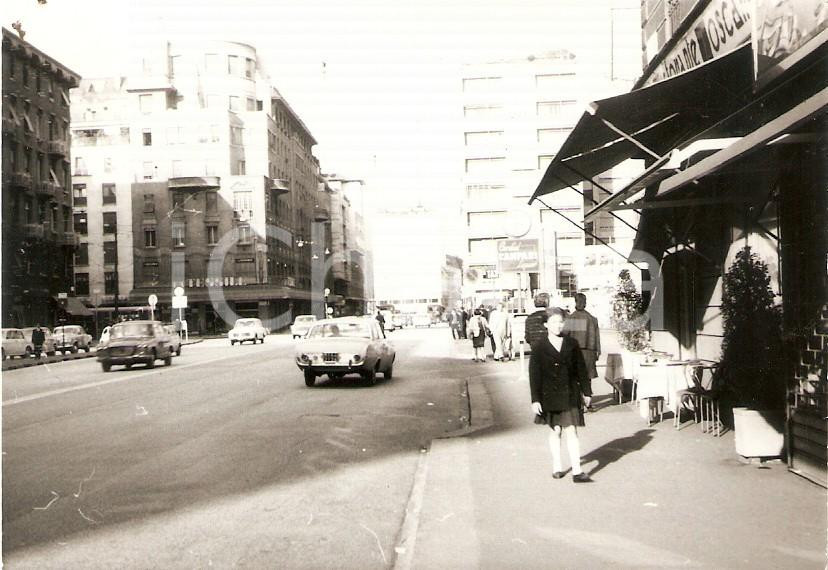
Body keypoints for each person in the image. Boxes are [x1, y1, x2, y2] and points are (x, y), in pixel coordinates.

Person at [530, 308, 592, 482]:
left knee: (572, 430)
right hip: (549, 395)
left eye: (560, 322)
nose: (558, 326)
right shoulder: (539, 347)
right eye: (553, 322)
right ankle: (557, 466)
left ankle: (577, 471)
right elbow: (534, 375)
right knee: (556, 431)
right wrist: (535, 399)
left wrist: (587, 391)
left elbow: (581, 369)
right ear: (545, 325)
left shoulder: (572, 344)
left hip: (570, 393)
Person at [564, 293, 601, 411]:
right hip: (589, 352)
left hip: (575, 352)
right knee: (587, 377)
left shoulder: (572, 319)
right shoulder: (591, 319)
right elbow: (597, 338)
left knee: (576, 377)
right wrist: (597, 352)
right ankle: (588, 402)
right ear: (585, 302)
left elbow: (565, 336)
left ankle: (578, 403)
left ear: (575, 302)